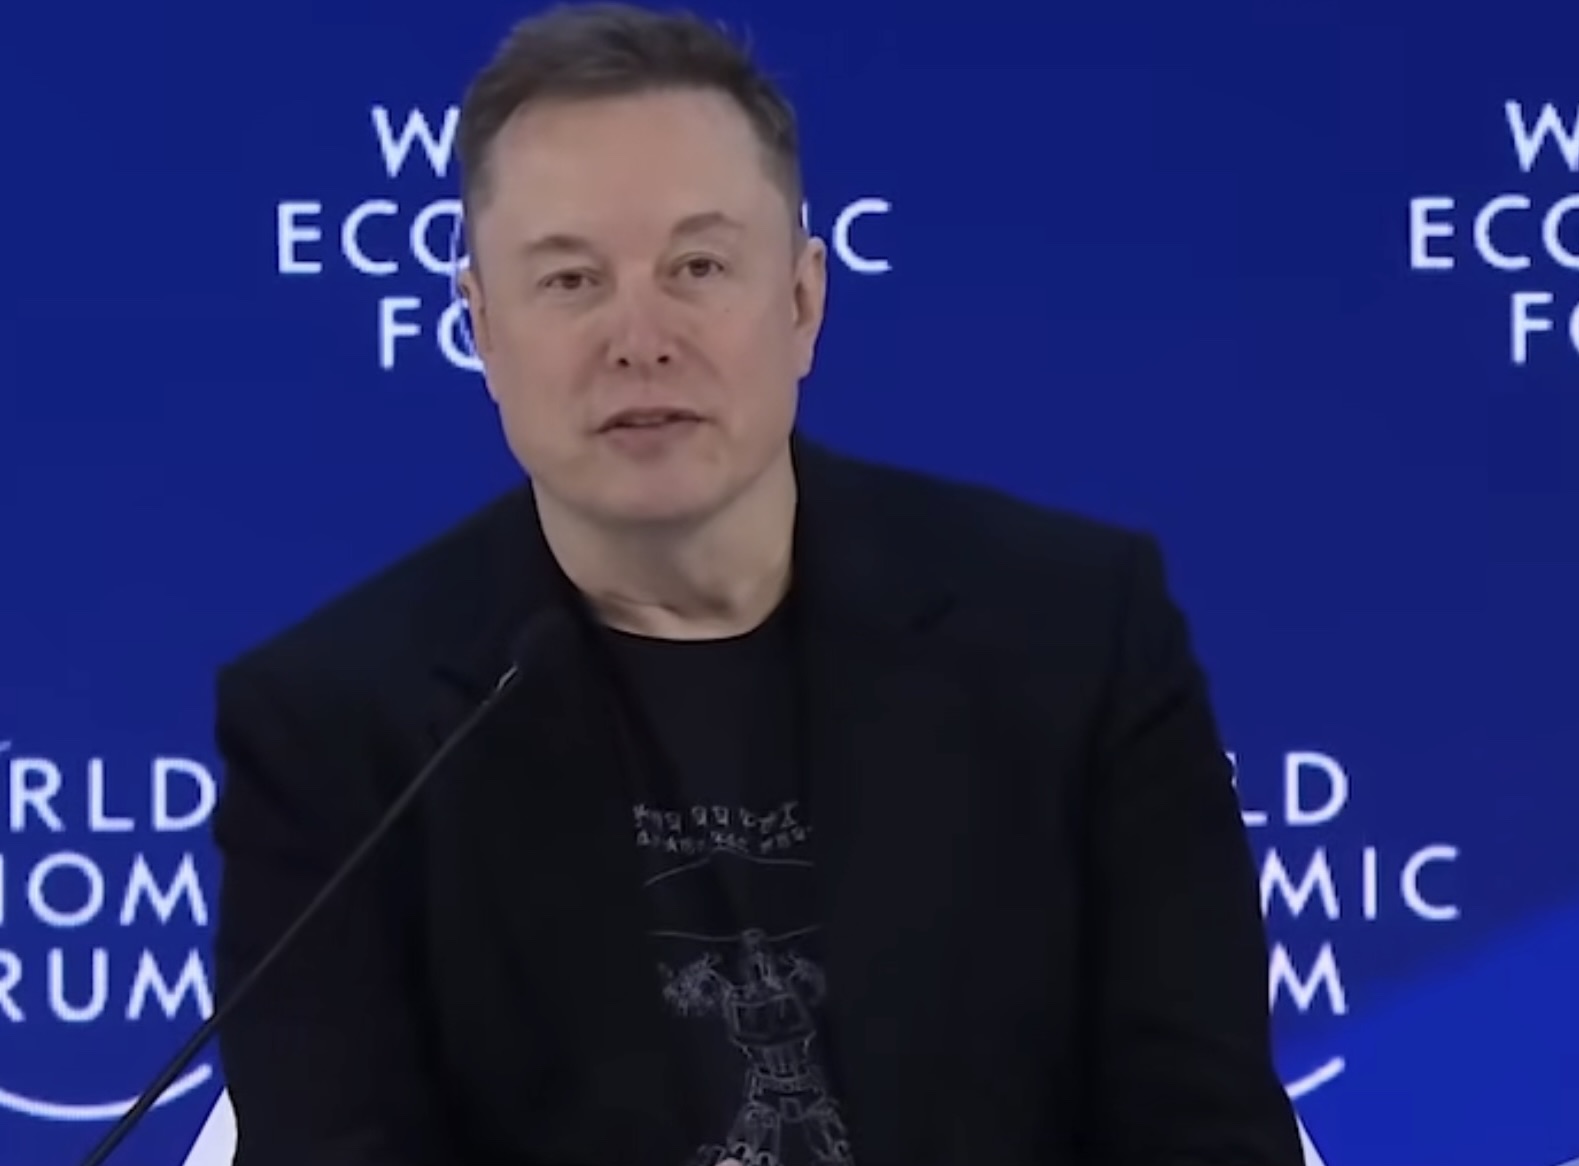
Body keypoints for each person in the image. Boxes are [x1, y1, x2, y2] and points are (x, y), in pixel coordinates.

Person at [209, 4, 1302, 1165]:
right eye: (571, 279)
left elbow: (1204, 1129)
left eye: (697, 266)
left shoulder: (1075, 639)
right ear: (480, 325)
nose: (639, 338)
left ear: (801, 300)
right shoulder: (338, 728)